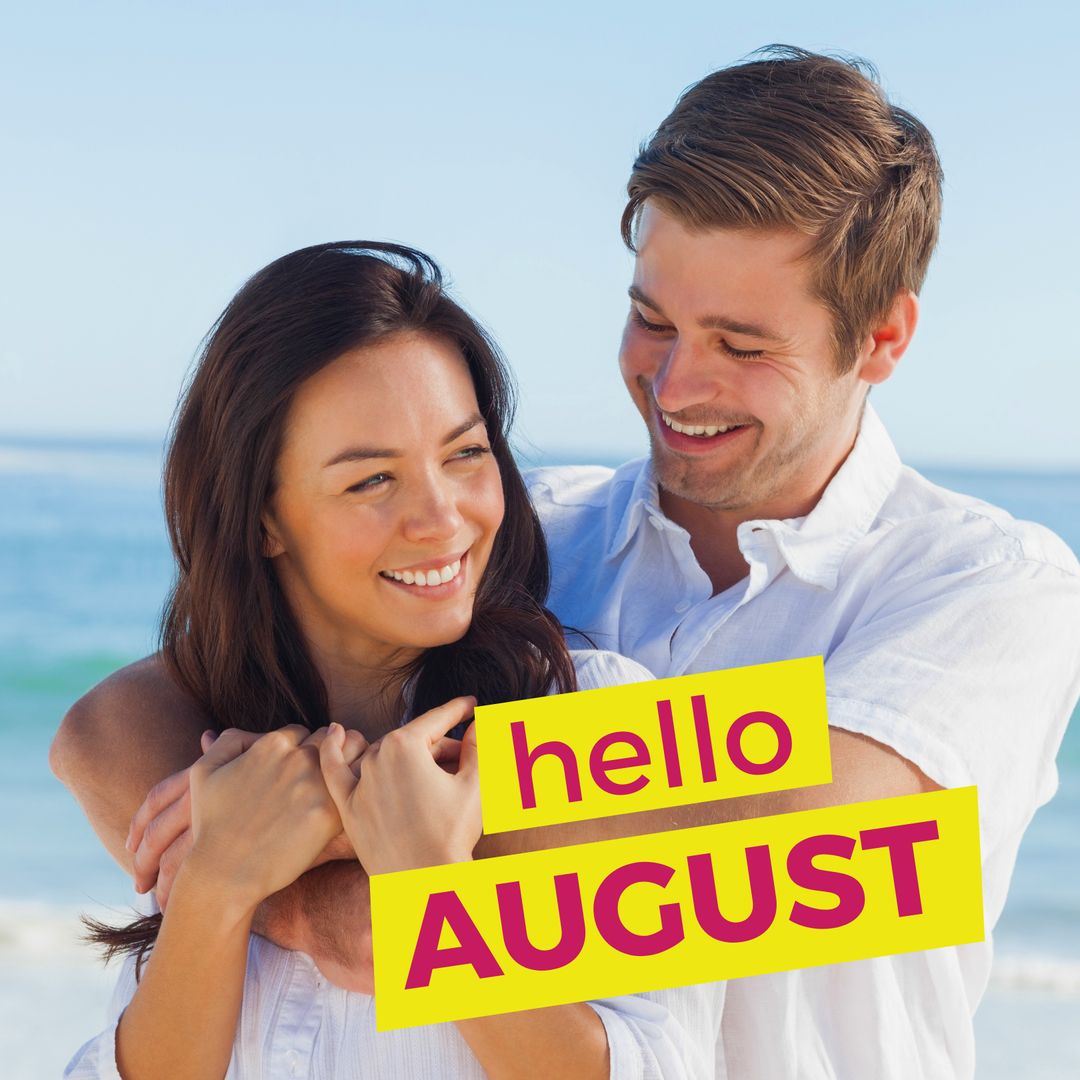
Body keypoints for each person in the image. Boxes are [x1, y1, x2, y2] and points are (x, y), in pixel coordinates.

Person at [52, 46, 1080, 1079]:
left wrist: (367, 850)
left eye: (742, 345)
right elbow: (110, 728)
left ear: (885, 336)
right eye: (651, 319)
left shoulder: (989, 585)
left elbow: (828, 847)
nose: (676, 383)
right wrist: (257, 864)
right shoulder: (507, 535)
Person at [59, 241, 722, 1079]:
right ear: (264, 518)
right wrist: (219, 888)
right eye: (372, 480)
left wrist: (432, 888)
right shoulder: (216, 770)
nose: (442, 520)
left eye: (465, 453)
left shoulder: (597, 717)